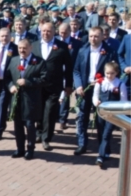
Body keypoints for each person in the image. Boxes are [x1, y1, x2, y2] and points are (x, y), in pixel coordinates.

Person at [73, 26, 118, 155]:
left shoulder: (109, 52)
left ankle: (103, 147)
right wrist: (79, 86)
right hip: (84, 88)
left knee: (101, 119)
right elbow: (76, 70)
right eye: (91, 36)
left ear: (102, 36)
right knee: (82, 117)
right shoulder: (82, 50)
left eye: (96, 36)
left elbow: (114, 70)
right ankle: (82, 144)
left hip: (101, 89)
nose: (93, 39)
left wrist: (103, 81)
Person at [33, 21, 73, 151]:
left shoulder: (62, 46)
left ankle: (46, 138)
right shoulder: (34, 46)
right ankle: (38, 133)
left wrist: (68, 85)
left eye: (49, 31)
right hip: (37, 86)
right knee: (39, 111)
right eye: (44, 31)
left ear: (54, 32)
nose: (46, 33)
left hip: (54, 86)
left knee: (49, 112)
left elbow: (68, 67)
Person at [6, 40, 47, 160]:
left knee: (29, 124)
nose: (22, 51)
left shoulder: (39, 62)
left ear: (30, 48)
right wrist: (10, 86)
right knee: (17, 125)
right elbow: (7, 77)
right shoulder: (14, 60)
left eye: (24, 48)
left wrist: (27, 82)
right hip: (16, 99)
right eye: (19, 48)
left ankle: (30, 149)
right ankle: (20, 149)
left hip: (31, 99)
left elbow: (44, 80)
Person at [93, 61, 127, 169]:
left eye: (112, 73)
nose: (109, 75)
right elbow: (95, 96)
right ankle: (106, 151)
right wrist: (96, 102)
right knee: (101, 133)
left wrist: (118, 112)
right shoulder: (100, 82)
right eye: (107, 73)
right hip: (101, 112)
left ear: (116, 73)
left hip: (112, 115)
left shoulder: (120, 84)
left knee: (106, 134)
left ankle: (100, 156)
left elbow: (123, 101)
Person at [0, 27, 18, 140]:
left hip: (6, 81)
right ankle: (3, 118)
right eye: (2, 36)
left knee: (2, 104)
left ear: (10, 37)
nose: (4, 38)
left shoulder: (14, 48)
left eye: (6, 36)